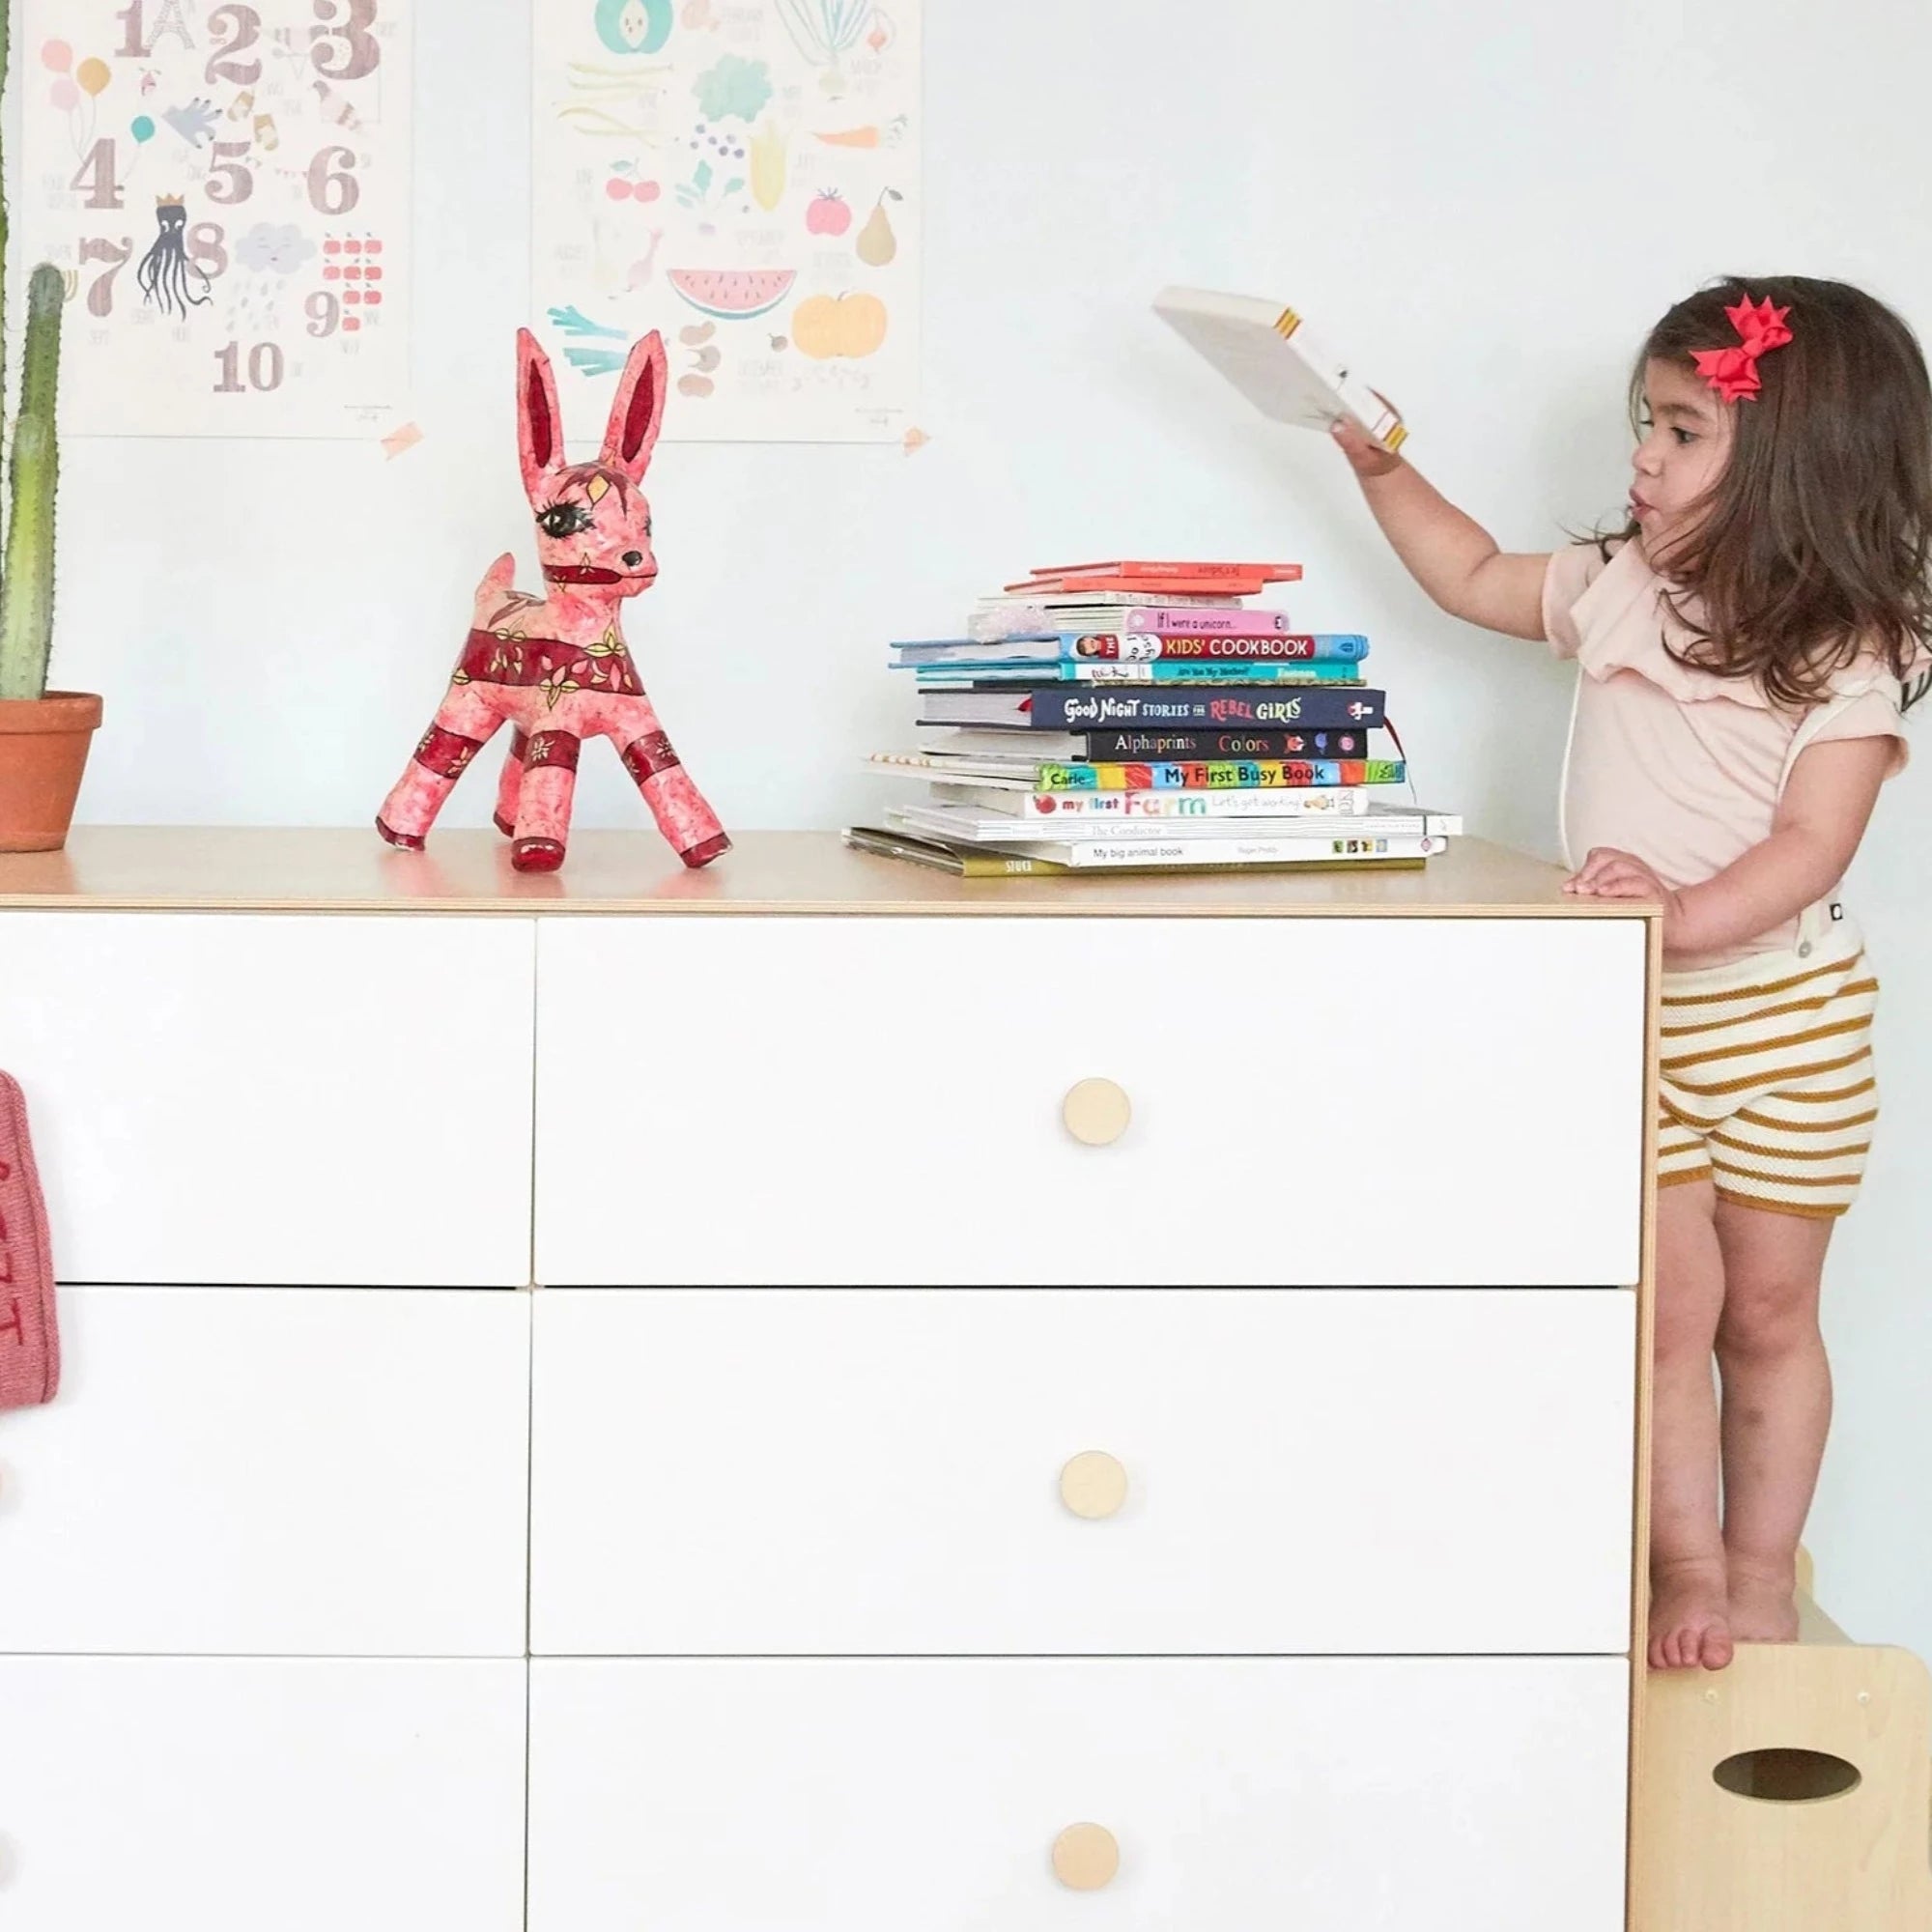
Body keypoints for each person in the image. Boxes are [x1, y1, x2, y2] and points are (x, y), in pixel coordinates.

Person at [1330, 276, 1932, 1670]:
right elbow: (1472, 575)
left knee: (1769, 1316)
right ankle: (1688, 1569)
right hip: (1628, 1021)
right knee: (1667, 1313)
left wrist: (1680, 910)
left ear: (1795, 462)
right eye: (1642, 425)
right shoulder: (1618, 585)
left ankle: (1763, 1572)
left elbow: (1812, 846)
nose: (1642, 459)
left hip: (1785, 1025)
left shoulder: (1847, 650)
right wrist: (1382, 468)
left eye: (1681, 431)